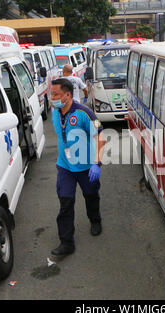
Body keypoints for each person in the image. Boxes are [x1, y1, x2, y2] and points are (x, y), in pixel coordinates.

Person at [50, 78, 106, 256]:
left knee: (91, 196)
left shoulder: (85, 113)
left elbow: (101, 137)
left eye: (56, 94)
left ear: (67, 95)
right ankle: (67, 242)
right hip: (65, 167)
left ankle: (95, 220)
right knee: (66, 202)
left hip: (86, 167)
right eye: (51, 94)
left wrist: (96, 164)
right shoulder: (55, 112)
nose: (52, 98)